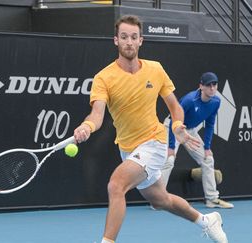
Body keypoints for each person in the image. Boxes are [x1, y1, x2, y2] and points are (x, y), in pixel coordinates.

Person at [73, 15, 228, 243]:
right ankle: (207, 221)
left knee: (116, 185)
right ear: (116, 40)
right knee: (160, 200)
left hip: (154, 142)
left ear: (141, 41)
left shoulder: (155, 70)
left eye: (134, 37)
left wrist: (177, 126)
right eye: (124, 37)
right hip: (128, 148)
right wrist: (86, 126)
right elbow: (97, 115)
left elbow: (175, 106)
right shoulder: (103, 78)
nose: (129, 42)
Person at [161, 72, 234, 209]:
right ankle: (159, 200)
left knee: (208, 159)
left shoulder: (216, 101)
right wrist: (171, 147)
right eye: (208, 85)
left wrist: (207, 147)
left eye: (214, 85)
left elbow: (210, 123)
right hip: (174, 127)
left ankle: (212, 199)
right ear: (201, 86)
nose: (212, 88)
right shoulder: (189, 100)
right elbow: (174, 120)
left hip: (191, 131)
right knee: (168, 161)